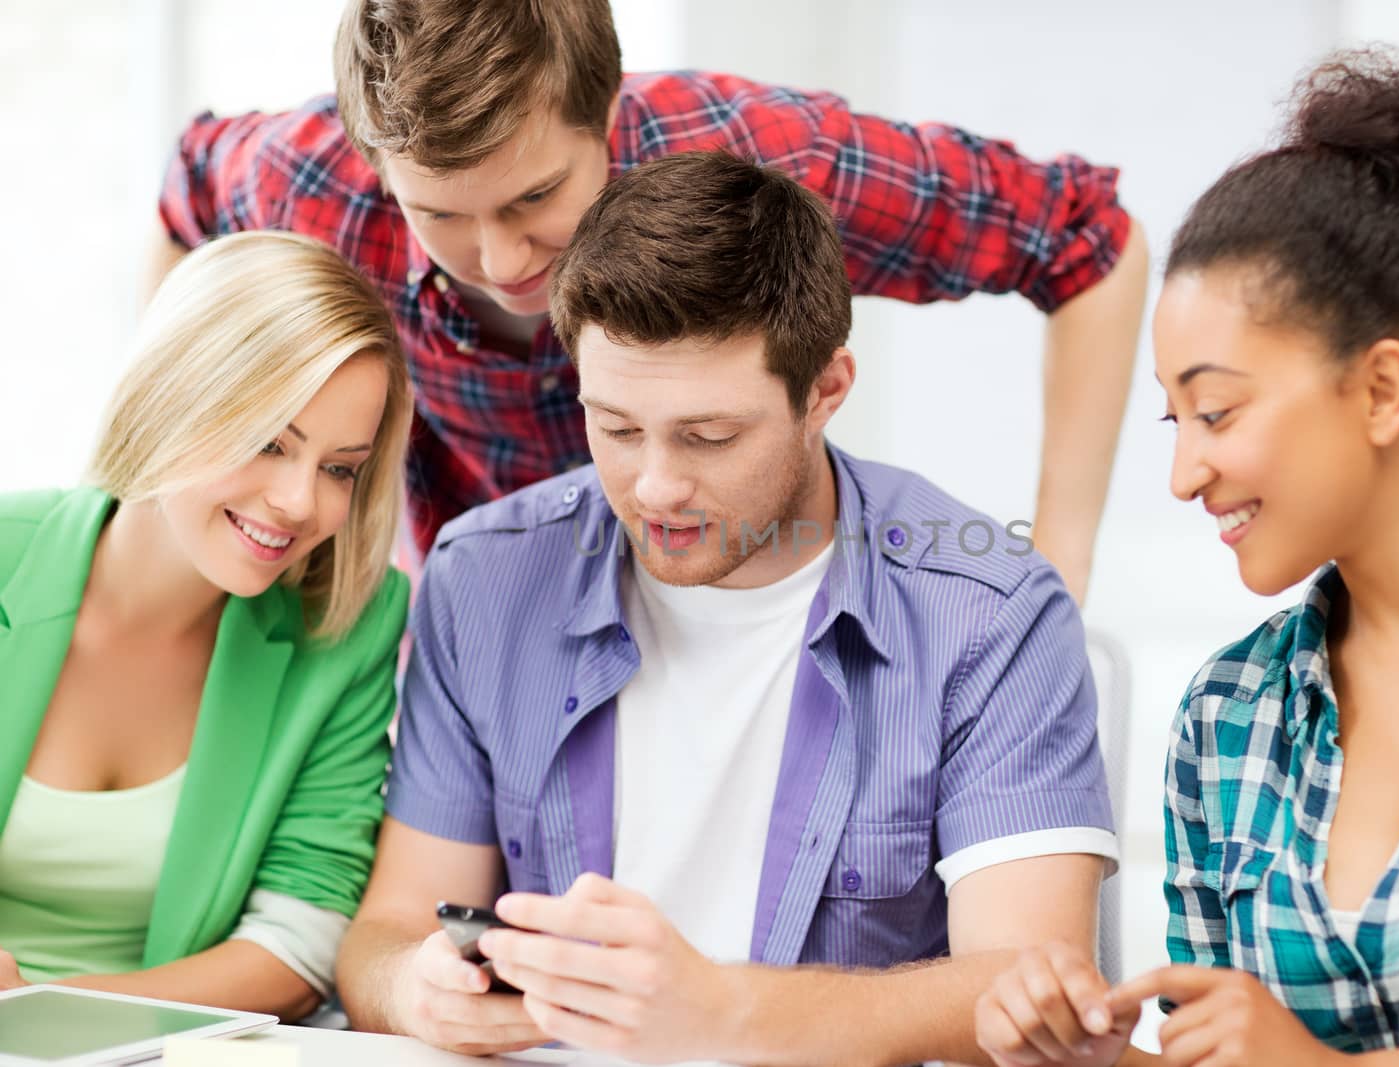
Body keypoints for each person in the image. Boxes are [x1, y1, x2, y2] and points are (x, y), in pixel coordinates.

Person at [333, 151, 1119, 1063]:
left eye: (709, 436)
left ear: (825, 390)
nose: (657, 486)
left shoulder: (989, 609)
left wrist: (722, 1010)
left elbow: (1038, 984)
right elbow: (384, 932)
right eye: (617, 428)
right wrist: (418, 990)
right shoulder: (483, 580)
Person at [973, 48, 1399, 1066]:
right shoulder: (1226, 719)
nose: (1182, 474)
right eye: (1173, 419)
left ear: (1382, 388)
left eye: (1215, 410)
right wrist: (1082, 1055)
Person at [149, 0, 1149, 603]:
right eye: (443, 214)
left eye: (537, 195)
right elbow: (184, 189)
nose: (498, 258)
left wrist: (1059, 562)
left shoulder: (767, 161)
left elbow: (1085, 236)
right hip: (483, 625)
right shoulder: (307, 179)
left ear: (607, 107)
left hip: (753, 606)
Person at [0, 232, 414, 1021]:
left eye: (338, 468)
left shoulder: (346, 626)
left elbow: (297, 944)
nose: (300, 502)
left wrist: (43, 1007)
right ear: (171, 397)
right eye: (269, 442)